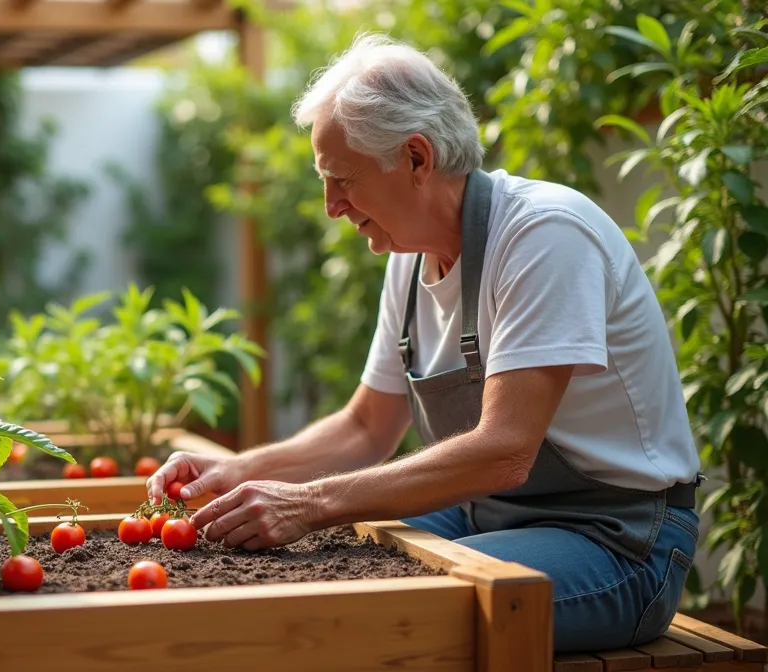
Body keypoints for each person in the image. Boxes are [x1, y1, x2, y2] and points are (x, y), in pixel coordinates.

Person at [146, 32, 703, 653]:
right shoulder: (407, 261)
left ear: (416, 158)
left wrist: (309, 500)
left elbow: (505, 452)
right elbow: (365, 428)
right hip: (485, 515)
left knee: (373, 610)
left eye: (342, 179)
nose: (331, 206)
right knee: (304, 561)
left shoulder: (545, 235)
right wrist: (237, 472)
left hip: (618, 541)